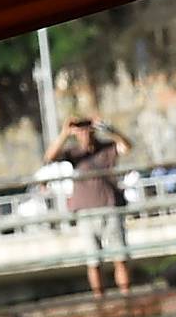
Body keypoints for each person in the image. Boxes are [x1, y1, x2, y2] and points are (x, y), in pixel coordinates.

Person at [44, 113, 134, 295]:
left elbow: (127, 146)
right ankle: (99, 299)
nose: (85, 132)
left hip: (110, 206)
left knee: (120, 257)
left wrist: (108, 129)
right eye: (81, 129)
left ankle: (126, 296)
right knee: (93, 261)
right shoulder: (74, 153)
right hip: (85, 210)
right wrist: (65, 133)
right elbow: (49, 157)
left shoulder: (107, 148)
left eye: (87, 128)